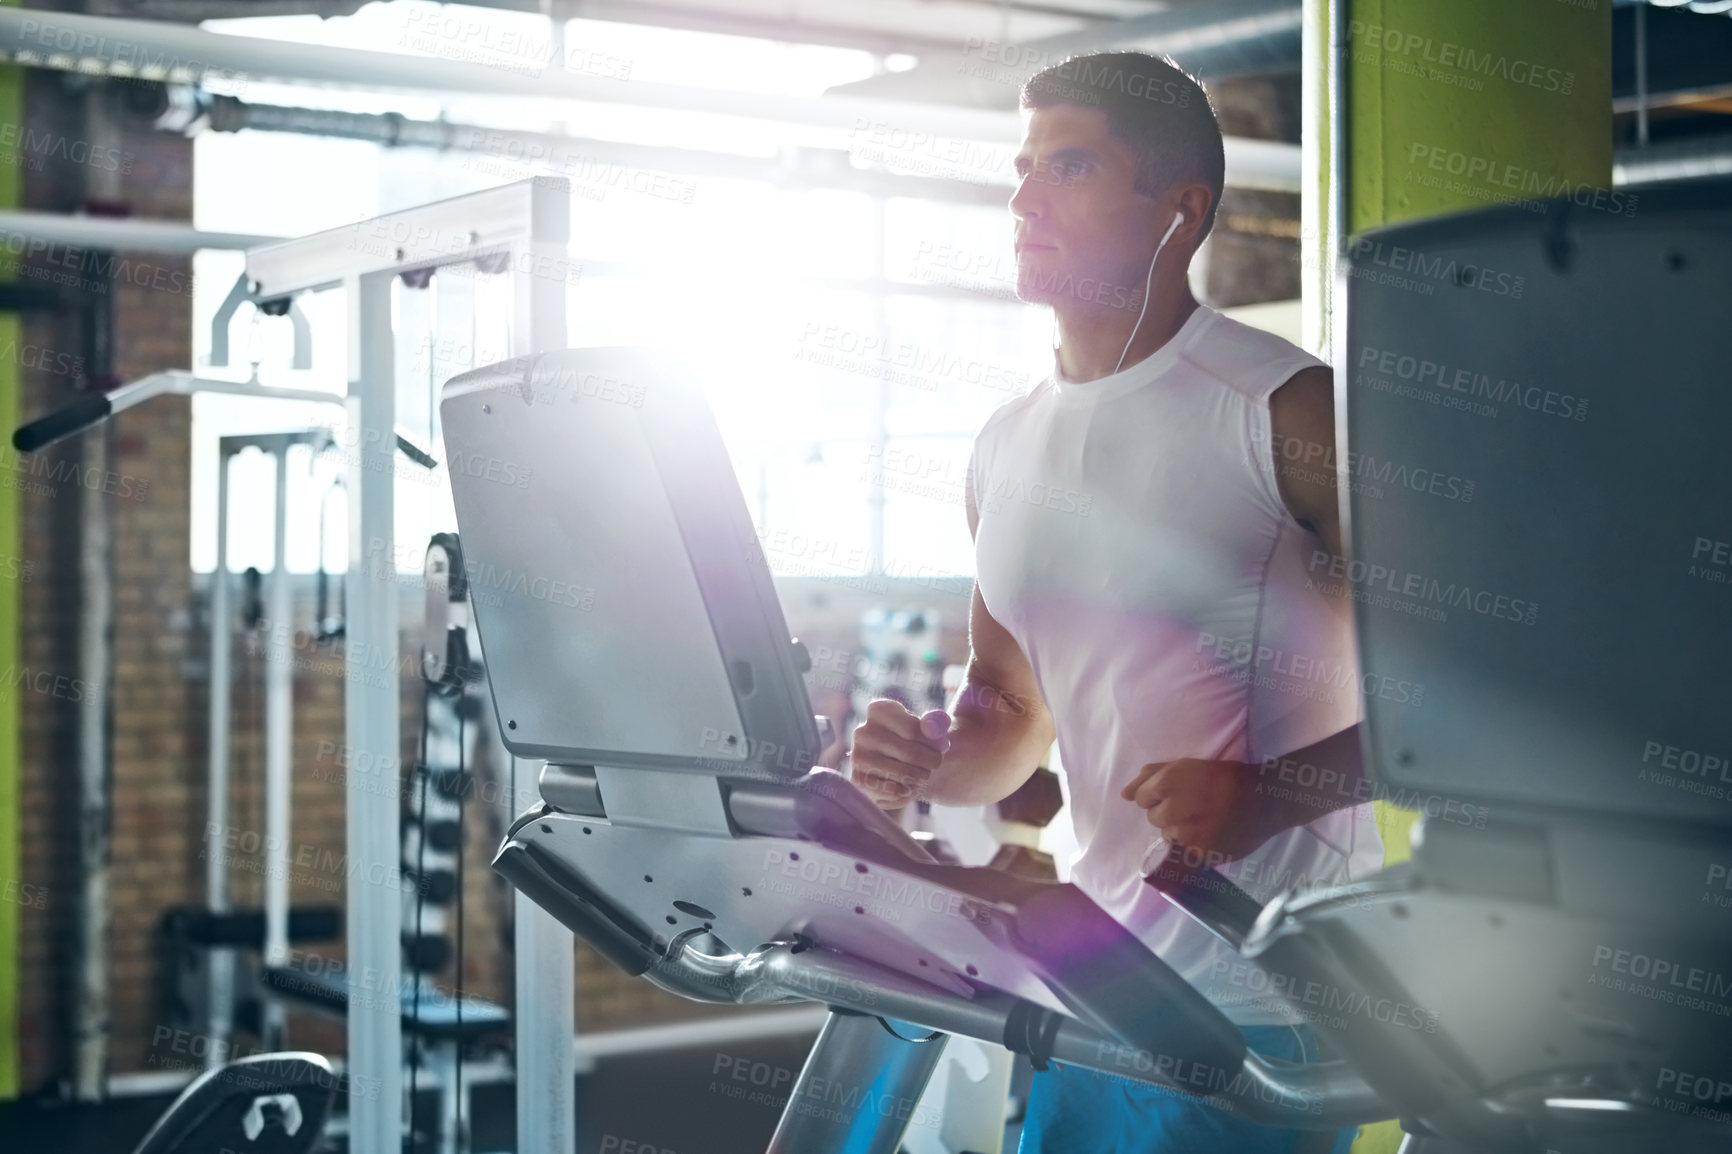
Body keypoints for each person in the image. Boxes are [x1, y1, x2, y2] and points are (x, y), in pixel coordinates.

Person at [849, 50, 1382, 1154]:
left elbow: (1476, 685)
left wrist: (1274, 795)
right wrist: (930, 761)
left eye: (1073, 164)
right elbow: (1005, 711)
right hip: (1094, 983)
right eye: (1024, 164)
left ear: (1178, 210)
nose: (1024, 196)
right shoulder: (1002, 448)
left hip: (1264, 1002)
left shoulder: (1284, 411)